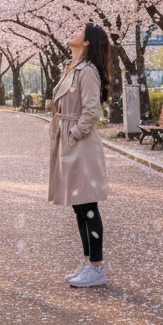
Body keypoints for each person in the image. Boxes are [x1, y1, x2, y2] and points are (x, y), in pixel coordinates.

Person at [48, 21, 110, 288]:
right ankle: (88, 262)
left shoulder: (87, 71)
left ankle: (97, 267)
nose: (72, 31)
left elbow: (92, 110)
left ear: (87, 42)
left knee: (88, 205)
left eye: (78, 30)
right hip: (69, 141)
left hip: (80, 144)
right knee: (79, 205)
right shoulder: (72, 67)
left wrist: (73, 134)